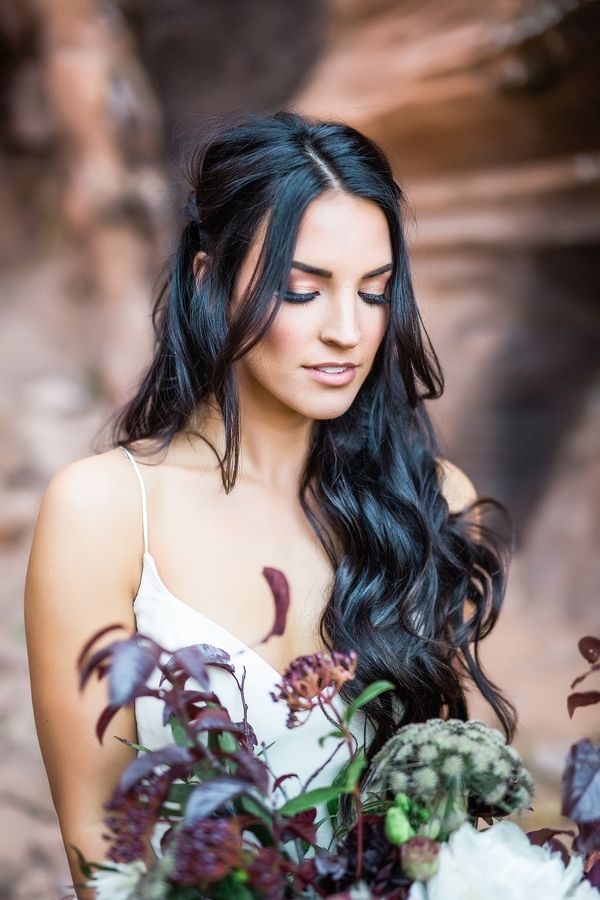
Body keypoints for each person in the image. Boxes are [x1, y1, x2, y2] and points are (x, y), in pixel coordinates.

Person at [24, 109, 517, 897]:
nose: (348, 332)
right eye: (302, 290)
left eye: (376, 291)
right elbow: (99, 840)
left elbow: (465, 813)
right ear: (205, 278)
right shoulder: (107, 511)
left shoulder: (432, 500)